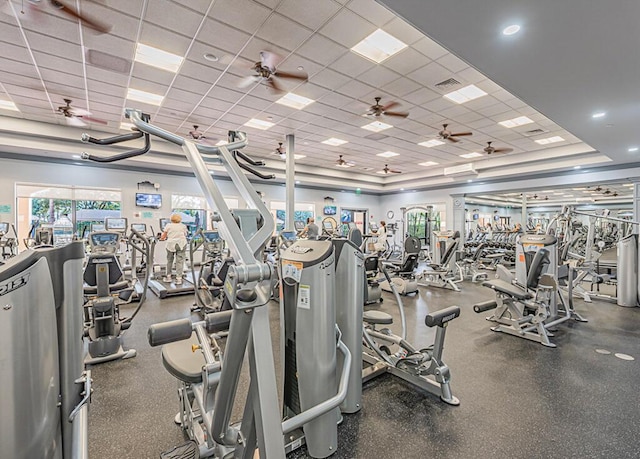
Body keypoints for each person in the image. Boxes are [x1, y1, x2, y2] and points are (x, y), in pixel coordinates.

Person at [160, 213, 188, 284]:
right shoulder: (183, 226)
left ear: (171, 219)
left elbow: (163, 236)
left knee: (169, 260)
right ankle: (179, 279)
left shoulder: (168, 225)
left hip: (171, 244)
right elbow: (185, 234)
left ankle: (168, 277)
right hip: (181, 244)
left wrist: (162, 238)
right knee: (180, 261)